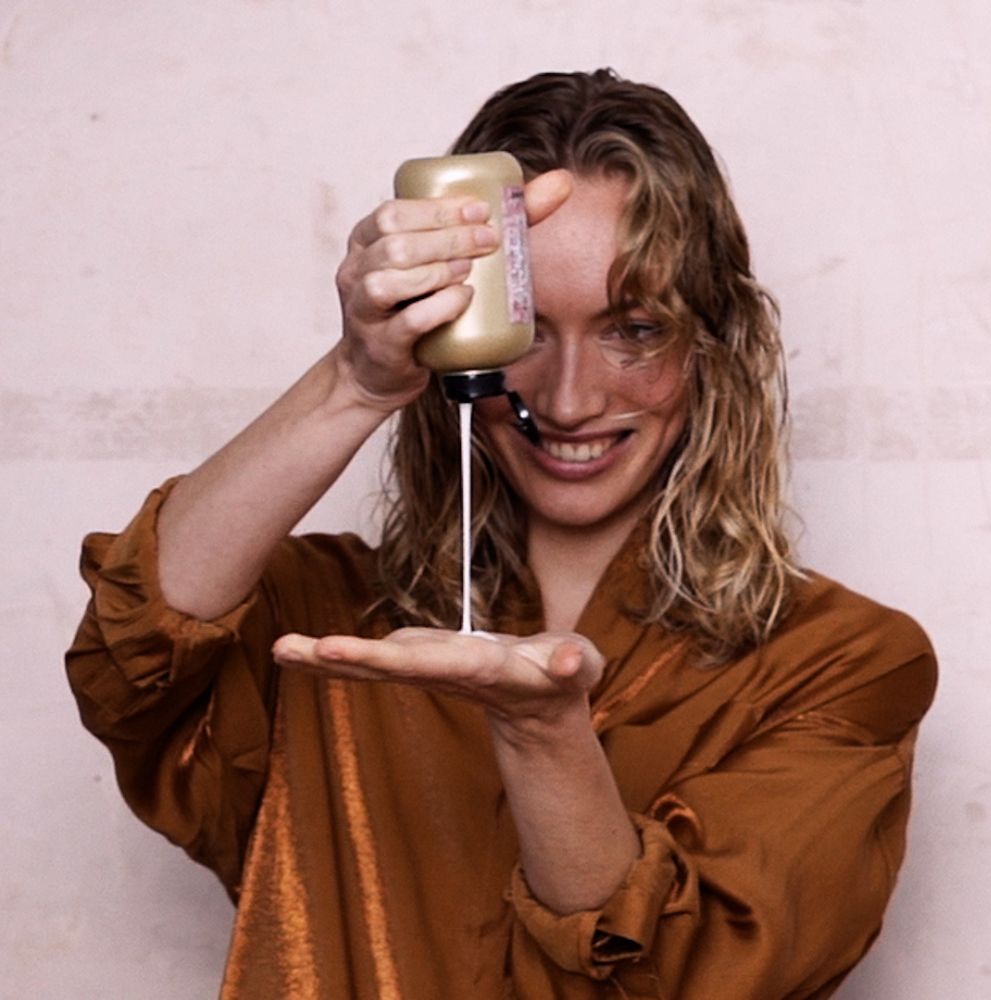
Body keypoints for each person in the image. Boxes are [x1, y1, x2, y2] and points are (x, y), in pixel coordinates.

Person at [66, 69, 936, 999]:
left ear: (711, 345)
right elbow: (134, 655)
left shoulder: (843, 664)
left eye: (634, 330)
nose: (569, 400)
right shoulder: (324, 628)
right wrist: (356, 378)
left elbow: (686, 975)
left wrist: (541, 731)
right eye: (525, 329)